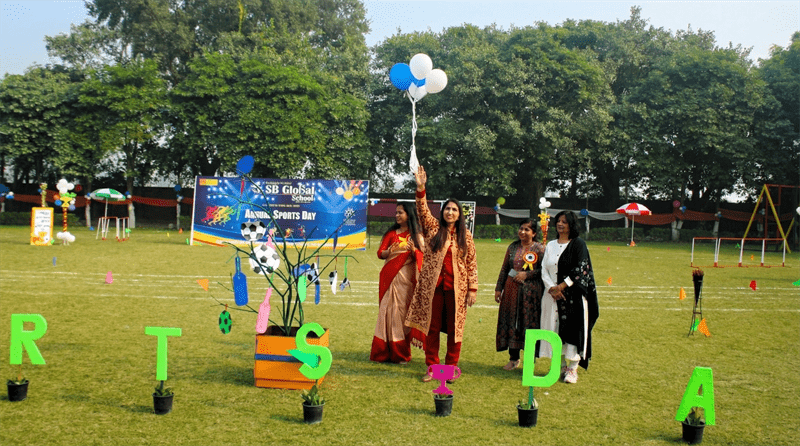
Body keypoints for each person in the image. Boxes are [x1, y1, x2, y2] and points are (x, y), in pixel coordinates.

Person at [405, 165, 478, 382]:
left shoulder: (466, 235)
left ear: (459, 214)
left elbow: (471, 263)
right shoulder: (433, 228)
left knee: (455, 331)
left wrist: (472, 289)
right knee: (432, 328)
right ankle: (432, 367)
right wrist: (421, 188)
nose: (450, 212)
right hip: (433, 288)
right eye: (447, 209)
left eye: (454, 210)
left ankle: (451, 367)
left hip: (457, 290)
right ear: (443, 212)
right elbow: (422, 210)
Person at [540, 210, 599, 383]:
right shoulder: (551, 245)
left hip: (573, 297)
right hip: (552, 296)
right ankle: (559, 367)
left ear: (571, 225)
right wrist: (552, 288)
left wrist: (562, 286)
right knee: (554, 329)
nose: (560, 224)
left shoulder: (578, 244)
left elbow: (581, 268)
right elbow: (544, 269)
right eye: (558, 221)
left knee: (573, 330)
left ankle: (572, 368)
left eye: (564, 222)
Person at [370, 202, 424, 363]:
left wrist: (414, 250)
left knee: (400, 316)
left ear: (409, 214)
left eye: (401, 212)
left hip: (406, 283)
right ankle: (382, 352)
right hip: (389, 279)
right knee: (385, 314)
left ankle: (400, 353)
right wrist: (389, 251)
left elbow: (424, 257)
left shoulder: (416, 236)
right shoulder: (391, 234)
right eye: (396, 212)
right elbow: (380, 253)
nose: (397, 215)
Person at [494, 219, 545, 370]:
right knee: (511, 323)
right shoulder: (513, 247)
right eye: (521, 228)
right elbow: (505, 269)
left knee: (529, 324)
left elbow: (545, 270)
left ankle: (529, 362)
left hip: (531, 294)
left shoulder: (540, 249)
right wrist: (498, 288)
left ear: (534, 233)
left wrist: (527, 275)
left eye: (527, 229)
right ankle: (513, 358)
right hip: (511, 291)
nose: (522, 232)